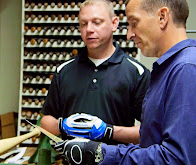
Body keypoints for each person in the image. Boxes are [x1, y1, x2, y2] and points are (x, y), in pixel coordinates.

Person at [55, 0, 196, 164]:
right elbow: (151, 139)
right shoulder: (168, 69)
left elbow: (175, 159)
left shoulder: (186, 69)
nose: (129, 34)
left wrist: (100, 152)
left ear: (162, 17)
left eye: (134, 23)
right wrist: (106, 133)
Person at [40, 0, 150, 145]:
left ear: (114, 23)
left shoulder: (137, 73)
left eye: (97, 22)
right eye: (83, 24)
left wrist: (109, 131)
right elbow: (46, 121)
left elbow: (148, 131)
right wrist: (62, 125)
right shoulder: (64, 71)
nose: (89, 29)